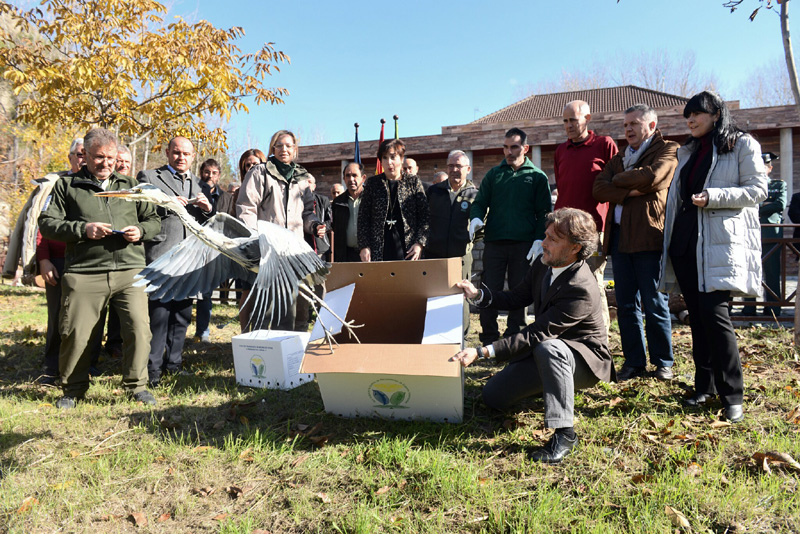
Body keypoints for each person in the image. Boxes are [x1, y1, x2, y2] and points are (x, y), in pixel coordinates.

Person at [451, 208, 614, 464]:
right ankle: (550, 387)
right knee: (493, 397)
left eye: (552, 239)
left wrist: (482, 352)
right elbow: (516, 297)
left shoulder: (580, 286)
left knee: (550, 348)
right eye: (545, 235)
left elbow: (536, 334)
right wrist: (478, 295)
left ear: (574, 248)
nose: (543, 243)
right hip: (547, 351)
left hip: (583, 360)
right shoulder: (545, 264)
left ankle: (565, 433)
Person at [659, 91, 768, 423]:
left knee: (717, 319)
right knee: (698, 320)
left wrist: (715, 196)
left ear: (717, 114)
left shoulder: (741, 144)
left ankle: (732, 395)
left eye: (698, 114)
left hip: (717, 246)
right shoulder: (688, 151)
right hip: (685, 245)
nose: (690, 120)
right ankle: (703, 387)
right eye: (687, 116)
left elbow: (758, 190)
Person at [38, 127, 161, 408]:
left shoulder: (131, 186)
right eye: (98, 157)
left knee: (139, 330)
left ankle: (137, 386)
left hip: (130, 270)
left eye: (110, 157)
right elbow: (47, 223)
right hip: (84, 271)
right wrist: (83, 229)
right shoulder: (66, 186)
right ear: (85, 156)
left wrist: (140, 231)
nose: (105, 163)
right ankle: (73, 390)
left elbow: (154, 220)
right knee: (77, 333)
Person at [593, 104, 678, 381]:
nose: (628, 129)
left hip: (648, 236)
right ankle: (634, 362)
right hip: (618, 239)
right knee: (626, 304)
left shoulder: (667, 149)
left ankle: (663, 362)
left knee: (654, 302)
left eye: (634, 124)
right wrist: (630, 188)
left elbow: (654, 176)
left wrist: (618, 184)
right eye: (626, 124)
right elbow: (598, 187)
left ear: (651, 126)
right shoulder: (619, 158)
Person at [138, 137, 213, 387]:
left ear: (193, 157)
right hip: (161, 255)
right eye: (177, 153)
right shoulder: (149, 177)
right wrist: (168, 206)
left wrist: (206, 209)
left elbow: (203, 224)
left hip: (189, 260)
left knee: (182, 315)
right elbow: (141, 210)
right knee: (159, 315)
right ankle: (153, 370)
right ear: (168, 152)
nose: (181, 157)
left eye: (186, 154)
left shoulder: (198, 183)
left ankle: (175, 364)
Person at [469, 127, 552, 345]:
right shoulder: (494, 175)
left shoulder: (536, 177)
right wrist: (476, 218)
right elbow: (479, 202)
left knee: (520, 291)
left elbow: (544, 212)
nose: (509, 151)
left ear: (525, 148)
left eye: (514, 146)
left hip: (523, 244)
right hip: (495, 243)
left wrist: (538, 239)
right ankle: (489, 337)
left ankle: (515, 338)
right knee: (489, 289)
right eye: (505, 147)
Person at [236, 131, 325, 331]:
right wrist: (255, 239)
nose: (284, 149)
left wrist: (315, 226)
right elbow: (246, 207)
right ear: (272, 149)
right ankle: (266, 351)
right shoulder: (259, 172)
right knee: (269, 306)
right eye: (279, 145)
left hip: (294, 250)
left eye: (288, 146)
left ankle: (294, 348)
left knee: (296, 303)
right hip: (268, 249)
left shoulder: (302, 178)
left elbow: (307, 213)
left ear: (295, 150)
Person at [554, 100, 619, 330]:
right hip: (563, 230)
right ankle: (570, 336)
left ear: (588, 119)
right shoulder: (561, 150)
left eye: (573, 119)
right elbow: (563, 188)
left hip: (593, 229)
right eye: (565, 121)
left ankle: (600, 339)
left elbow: (617, 184)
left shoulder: (605, 145)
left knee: (592, 282)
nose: (569, 125)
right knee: (564, 284)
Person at [358, 139, 429, 262]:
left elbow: (424, 216)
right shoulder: (373, 184)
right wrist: (364, 246)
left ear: (401, 159)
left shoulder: (413, 182)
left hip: (408, 247)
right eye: (384, 158)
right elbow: (363, 218)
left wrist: (419, 243)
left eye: (393, 157)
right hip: (379, 248)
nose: (389, 162)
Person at [742, 151, 786, 316]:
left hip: (770, 235)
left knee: (772, 273)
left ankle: (773, 309)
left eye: (763, 167)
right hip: (749, 235)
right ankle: (749, 308)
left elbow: (779, 204)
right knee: (749, 272)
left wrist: (756, 208)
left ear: (769, 168)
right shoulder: (748, 186)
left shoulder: (778, 185)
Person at [193, 158, 231, 342]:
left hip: (212, 247)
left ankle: (203, 332)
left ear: (219, 175)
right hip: (192, 244)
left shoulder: (226, 197)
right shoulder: (193, 189)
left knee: (206, 293)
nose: (210, 176)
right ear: (201, 172)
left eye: (214, 173)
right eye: (207, 171)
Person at [296, 174, 332, 330]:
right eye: (304, 182)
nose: (307, 184)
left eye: (310, 181)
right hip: (300, 249)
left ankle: (323, 322)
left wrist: (321, 226)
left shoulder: (323, 201)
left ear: (315, 185)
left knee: (320, 286)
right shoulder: (296, 199)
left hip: (319, 249)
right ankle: (301, 324)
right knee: (303, 288)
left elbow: (330, 221)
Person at [332, 162, 367, 262]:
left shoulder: (371, 199)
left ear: (363, 178)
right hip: (345, 255)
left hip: (368, 254)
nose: (351, 179)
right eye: (348, 176)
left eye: (354, 175)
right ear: (344, 179)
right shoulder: (338, 202)